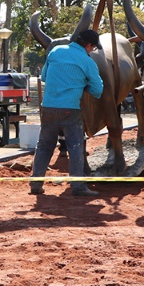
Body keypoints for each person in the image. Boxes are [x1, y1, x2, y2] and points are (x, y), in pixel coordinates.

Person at [29, 29, 104, 198]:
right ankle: (78, 186)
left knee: (44, 145)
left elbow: (44, 77)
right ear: (88, 45)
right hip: (70, 110)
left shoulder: (55, 51)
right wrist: (84, 85)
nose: (92, 51)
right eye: (92, 48)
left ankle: (36, 184)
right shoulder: (87, 61)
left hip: (48, 107)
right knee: (76, 147)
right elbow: (98, 90)